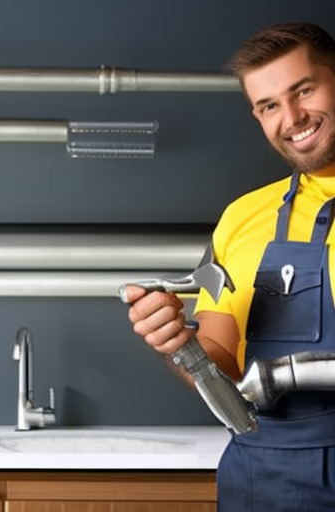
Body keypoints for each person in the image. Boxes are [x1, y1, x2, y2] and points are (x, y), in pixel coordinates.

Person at [124, 22, 335, 511]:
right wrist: (178, 342)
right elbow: (220, 355)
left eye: (305, 90)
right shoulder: (242, 217)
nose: (292, 116)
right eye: (268, 106)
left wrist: (288, 374)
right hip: (259, 481)